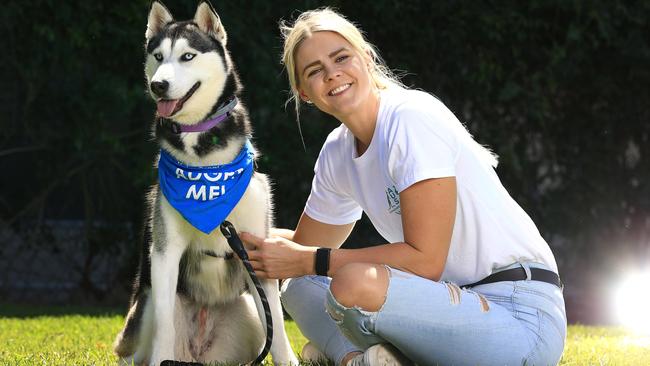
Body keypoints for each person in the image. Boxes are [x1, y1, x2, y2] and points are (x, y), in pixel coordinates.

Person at [240, 8, 567, 366]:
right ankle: (359, 360)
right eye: (314, 71)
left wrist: (309, 259)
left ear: (366, 57)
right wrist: (237, 235)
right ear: (304, 92)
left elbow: (425, 261)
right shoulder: (337, 151)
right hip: (444, 303)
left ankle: (351, 355)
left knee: (351, 284)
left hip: (518, 314)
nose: (332, 73)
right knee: (300, 284)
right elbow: (302, 250)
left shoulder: (410, 118)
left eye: (341, 57)